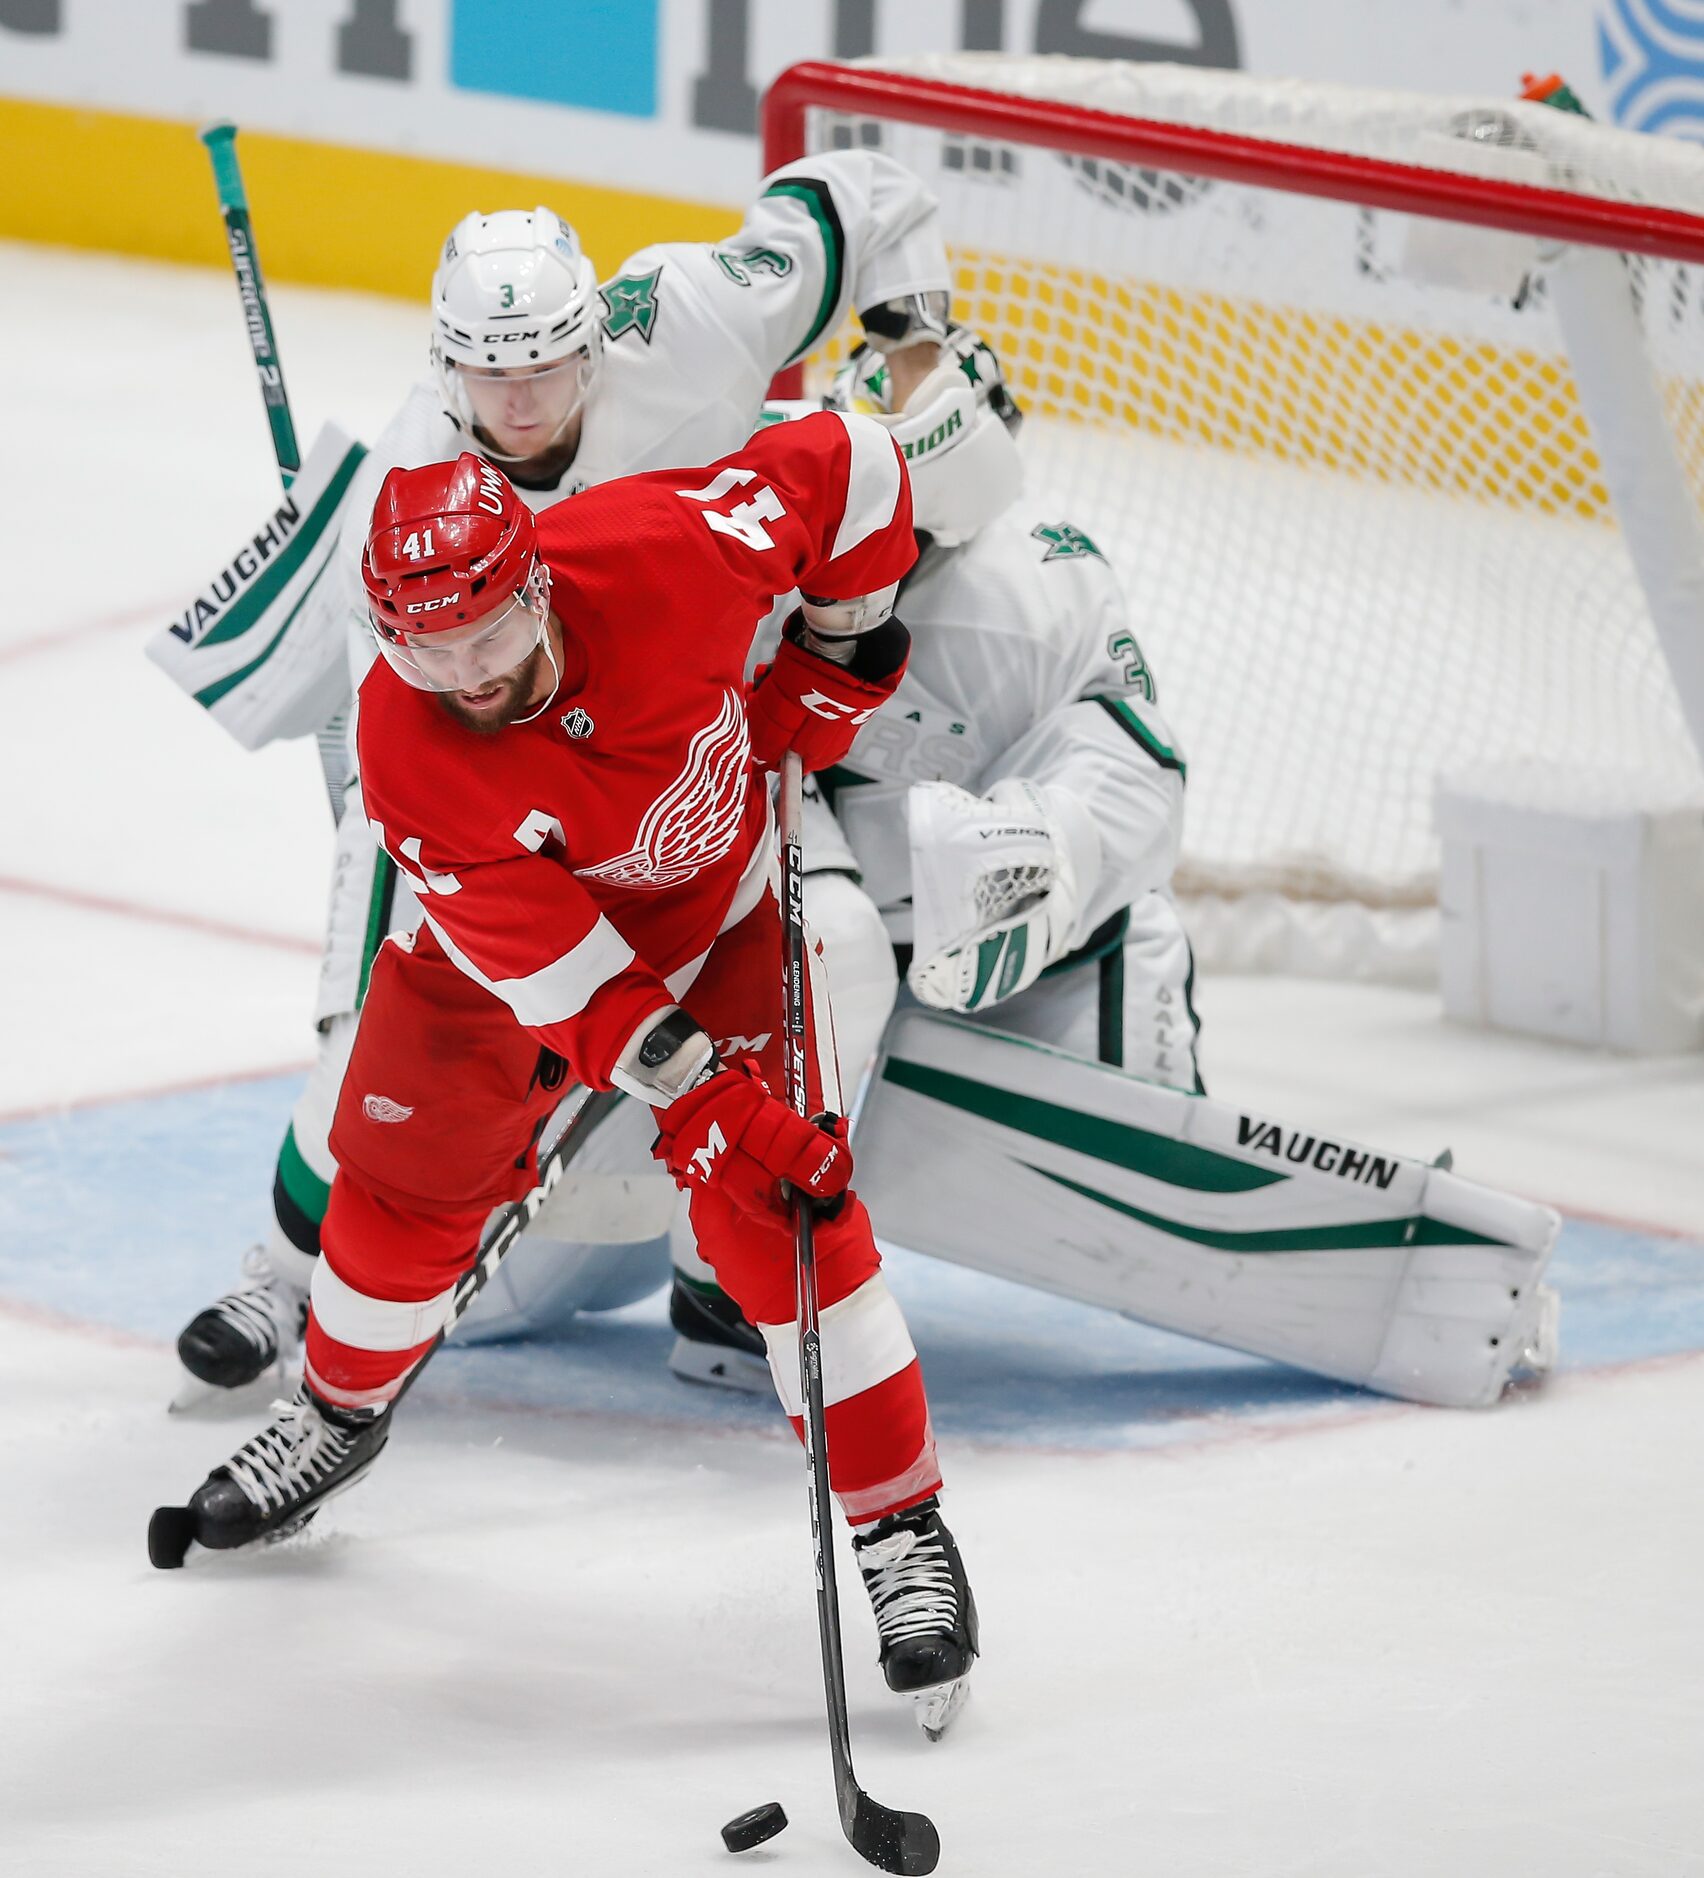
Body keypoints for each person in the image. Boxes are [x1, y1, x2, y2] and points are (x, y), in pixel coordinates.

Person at [169, 412, 978, 1720]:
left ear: (538, 580)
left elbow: (861, 466)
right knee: (394, 1194)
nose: (464, 675)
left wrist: (840, 658)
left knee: (787, 1226)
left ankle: (898, 1525)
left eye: (486, 636)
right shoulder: (410, 744)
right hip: (497, 959)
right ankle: (336, 1410)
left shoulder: (669, 545)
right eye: (424, 647)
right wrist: (712, 1099)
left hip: (714, 909)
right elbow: (572, 990)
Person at [175, 154, 957, 1393]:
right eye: (490, 371)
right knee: (378, 1029)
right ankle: (282, 1281)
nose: (520, 399)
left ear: (595, 339)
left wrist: (917, 348)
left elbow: (866, 197)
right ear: (446, 365)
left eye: (542, 365)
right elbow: (391, 726)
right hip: (504, 792)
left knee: (842, 958)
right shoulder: (409, 488)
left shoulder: (692, 313)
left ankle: (724, 1288)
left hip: (710, 745)